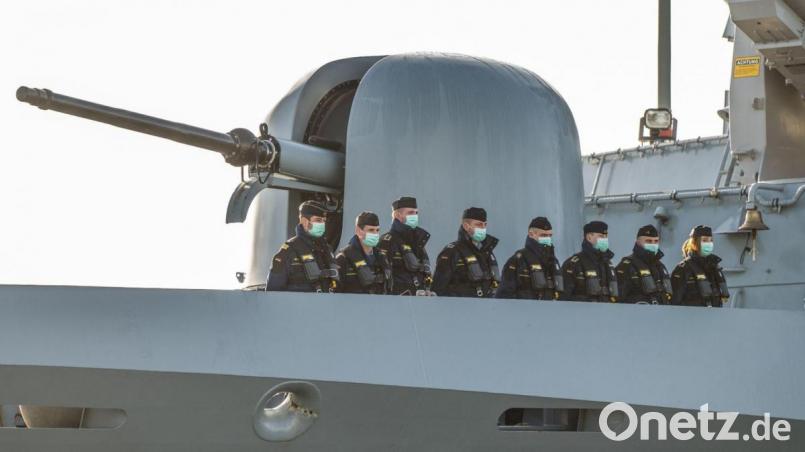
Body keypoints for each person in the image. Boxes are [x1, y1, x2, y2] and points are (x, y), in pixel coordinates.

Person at [266, 200, 339, 292]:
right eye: (318, 220)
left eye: (324, 221)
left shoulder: (327, 249)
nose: (322, 224)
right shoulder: (288, 251)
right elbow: (272, 293)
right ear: (304, 221)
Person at [432, 207, 500, 297]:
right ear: (466, 226)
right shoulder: (452, 251)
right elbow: (438, 289)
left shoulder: (487, 252)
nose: (483, 228)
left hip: (486, 308)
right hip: (459, 308)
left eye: (485, 224)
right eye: (479, 224)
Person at [496, 216, 563, 300]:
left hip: (549, 311)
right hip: (524, 311)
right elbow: (504, 295)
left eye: (550, 235)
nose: (548, 239)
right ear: (531, 234)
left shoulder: (553, 261)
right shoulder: (517, 261)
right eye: (544, 235)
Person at [377, 196, 433, 295]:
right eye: (410, 213)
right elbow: (382, 278)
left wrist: (428, 290)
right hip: (397, 303)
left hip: (420, 301)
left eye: (416, 213)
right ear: (398, 215)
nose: (415, 216)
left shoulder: (418, 241)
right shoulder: (387, 241)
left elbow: (426, 272)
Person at [670, 225, 730, 307]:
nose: (708, 244)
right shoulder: (683, 269)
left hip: (714, 316)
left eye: (710, 240)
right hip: (691, 317)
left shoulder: (713, 267)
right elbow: (675, 302)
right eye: (704, 240)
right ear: (694, 243)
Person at [335, 211, 392, 294]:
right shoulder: (343, 259)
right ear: (358, 230)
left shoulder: (382, 257)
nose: (375, 234)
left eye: (377, 230)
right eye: (371, 230)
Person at [560, 220, 618, 302]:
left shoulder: (608, 264)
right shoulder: (574, 264)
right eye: (601, 236)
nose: (605, 240)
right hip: (582, 313)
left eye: (606, 237)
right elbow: (564, 297)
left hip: (606, 313)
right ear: (589, 237)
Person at [615, 224, 672, 304]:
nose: (653, 244)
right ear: (638, 242)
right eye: (648, 241)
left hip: (661, 314)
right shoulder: (627, 266)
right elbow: (619, 299)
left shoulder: (660, 267)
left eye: (656, 241)